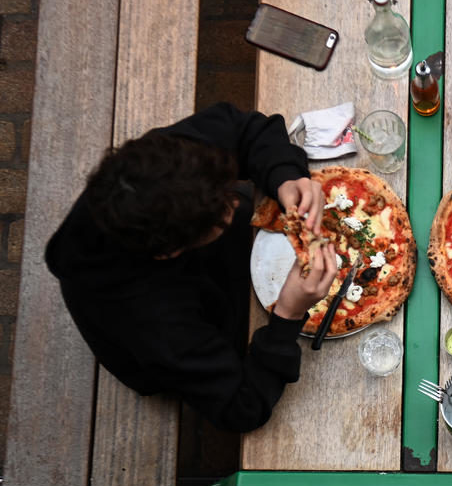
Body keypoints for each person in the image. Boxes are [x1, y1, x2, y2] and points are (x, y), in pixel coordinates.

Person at [46, 102, 338, 432]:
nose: (235, 203)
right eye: (220, 217)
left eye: (225, 191)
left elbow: (244, 128)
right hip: (176, 351)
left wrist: (285, 176)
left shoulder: (166, 163)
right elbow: (243, 409)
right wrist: (288, 313)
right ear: (169, 252)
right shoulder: (158, 325)